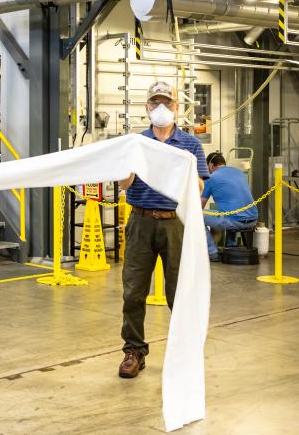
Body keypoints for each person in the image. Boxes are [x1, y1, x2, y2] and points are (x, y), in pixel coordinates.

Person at [117, 81, 210, 379]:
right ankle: (134, 351)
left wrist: (184, 170)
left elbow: (199, 187)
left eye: (166, 103)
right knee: (133, 290)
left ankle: (184, 353)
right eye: (155, 103)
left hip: (175, 224)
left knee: (179, 291)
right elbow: (125, 184)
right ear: (146, 107)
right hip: (141, 222)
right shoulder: (136, 143)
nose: (161, 108)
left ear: (176, 107)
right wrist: (125, 168)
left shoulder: (190, 145)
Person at [201, 152, 258, 261]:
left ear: (211, 166)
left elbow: (199, 206)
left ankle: (212, 253)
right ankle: (231, 244)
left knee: (196, 216)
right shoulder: (239, 173)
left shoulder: (210, 178)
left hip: (234, 221)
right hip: (253, 219)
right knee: (228, 211)